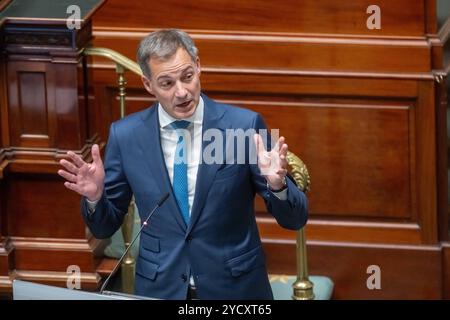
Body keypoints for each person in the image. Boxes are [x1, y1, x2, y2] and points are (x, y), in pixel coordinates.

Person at [57, 29, 308, 300]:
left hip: (235, 289)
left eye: (187, 76)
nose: (182, 92)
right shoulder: (126, 136)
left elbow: (295, 219)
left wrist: (278, 185)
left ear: (198, 67)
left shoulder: (243, 127)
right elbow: (104, 227)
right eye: (166, 83)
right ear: (148, 84)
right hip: (160, 288)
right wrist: (95, 197)